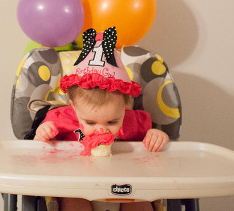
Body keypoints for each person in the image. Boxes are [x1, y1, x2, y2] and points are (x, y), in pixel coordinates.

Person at [33, 27, 170, 211]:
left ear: (126, 106)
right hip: (76, 185)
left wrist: (157, 136)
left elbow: (153, 145)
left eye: (112, 122)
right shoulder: (59, 120)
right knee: (73, 203)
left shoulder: (135, 121)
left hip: (126, 184)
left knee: (141, 202)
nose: (102, 130)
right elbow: (38, 153)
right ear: (73, 106)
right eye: (90, 122)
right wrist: (42, 135)